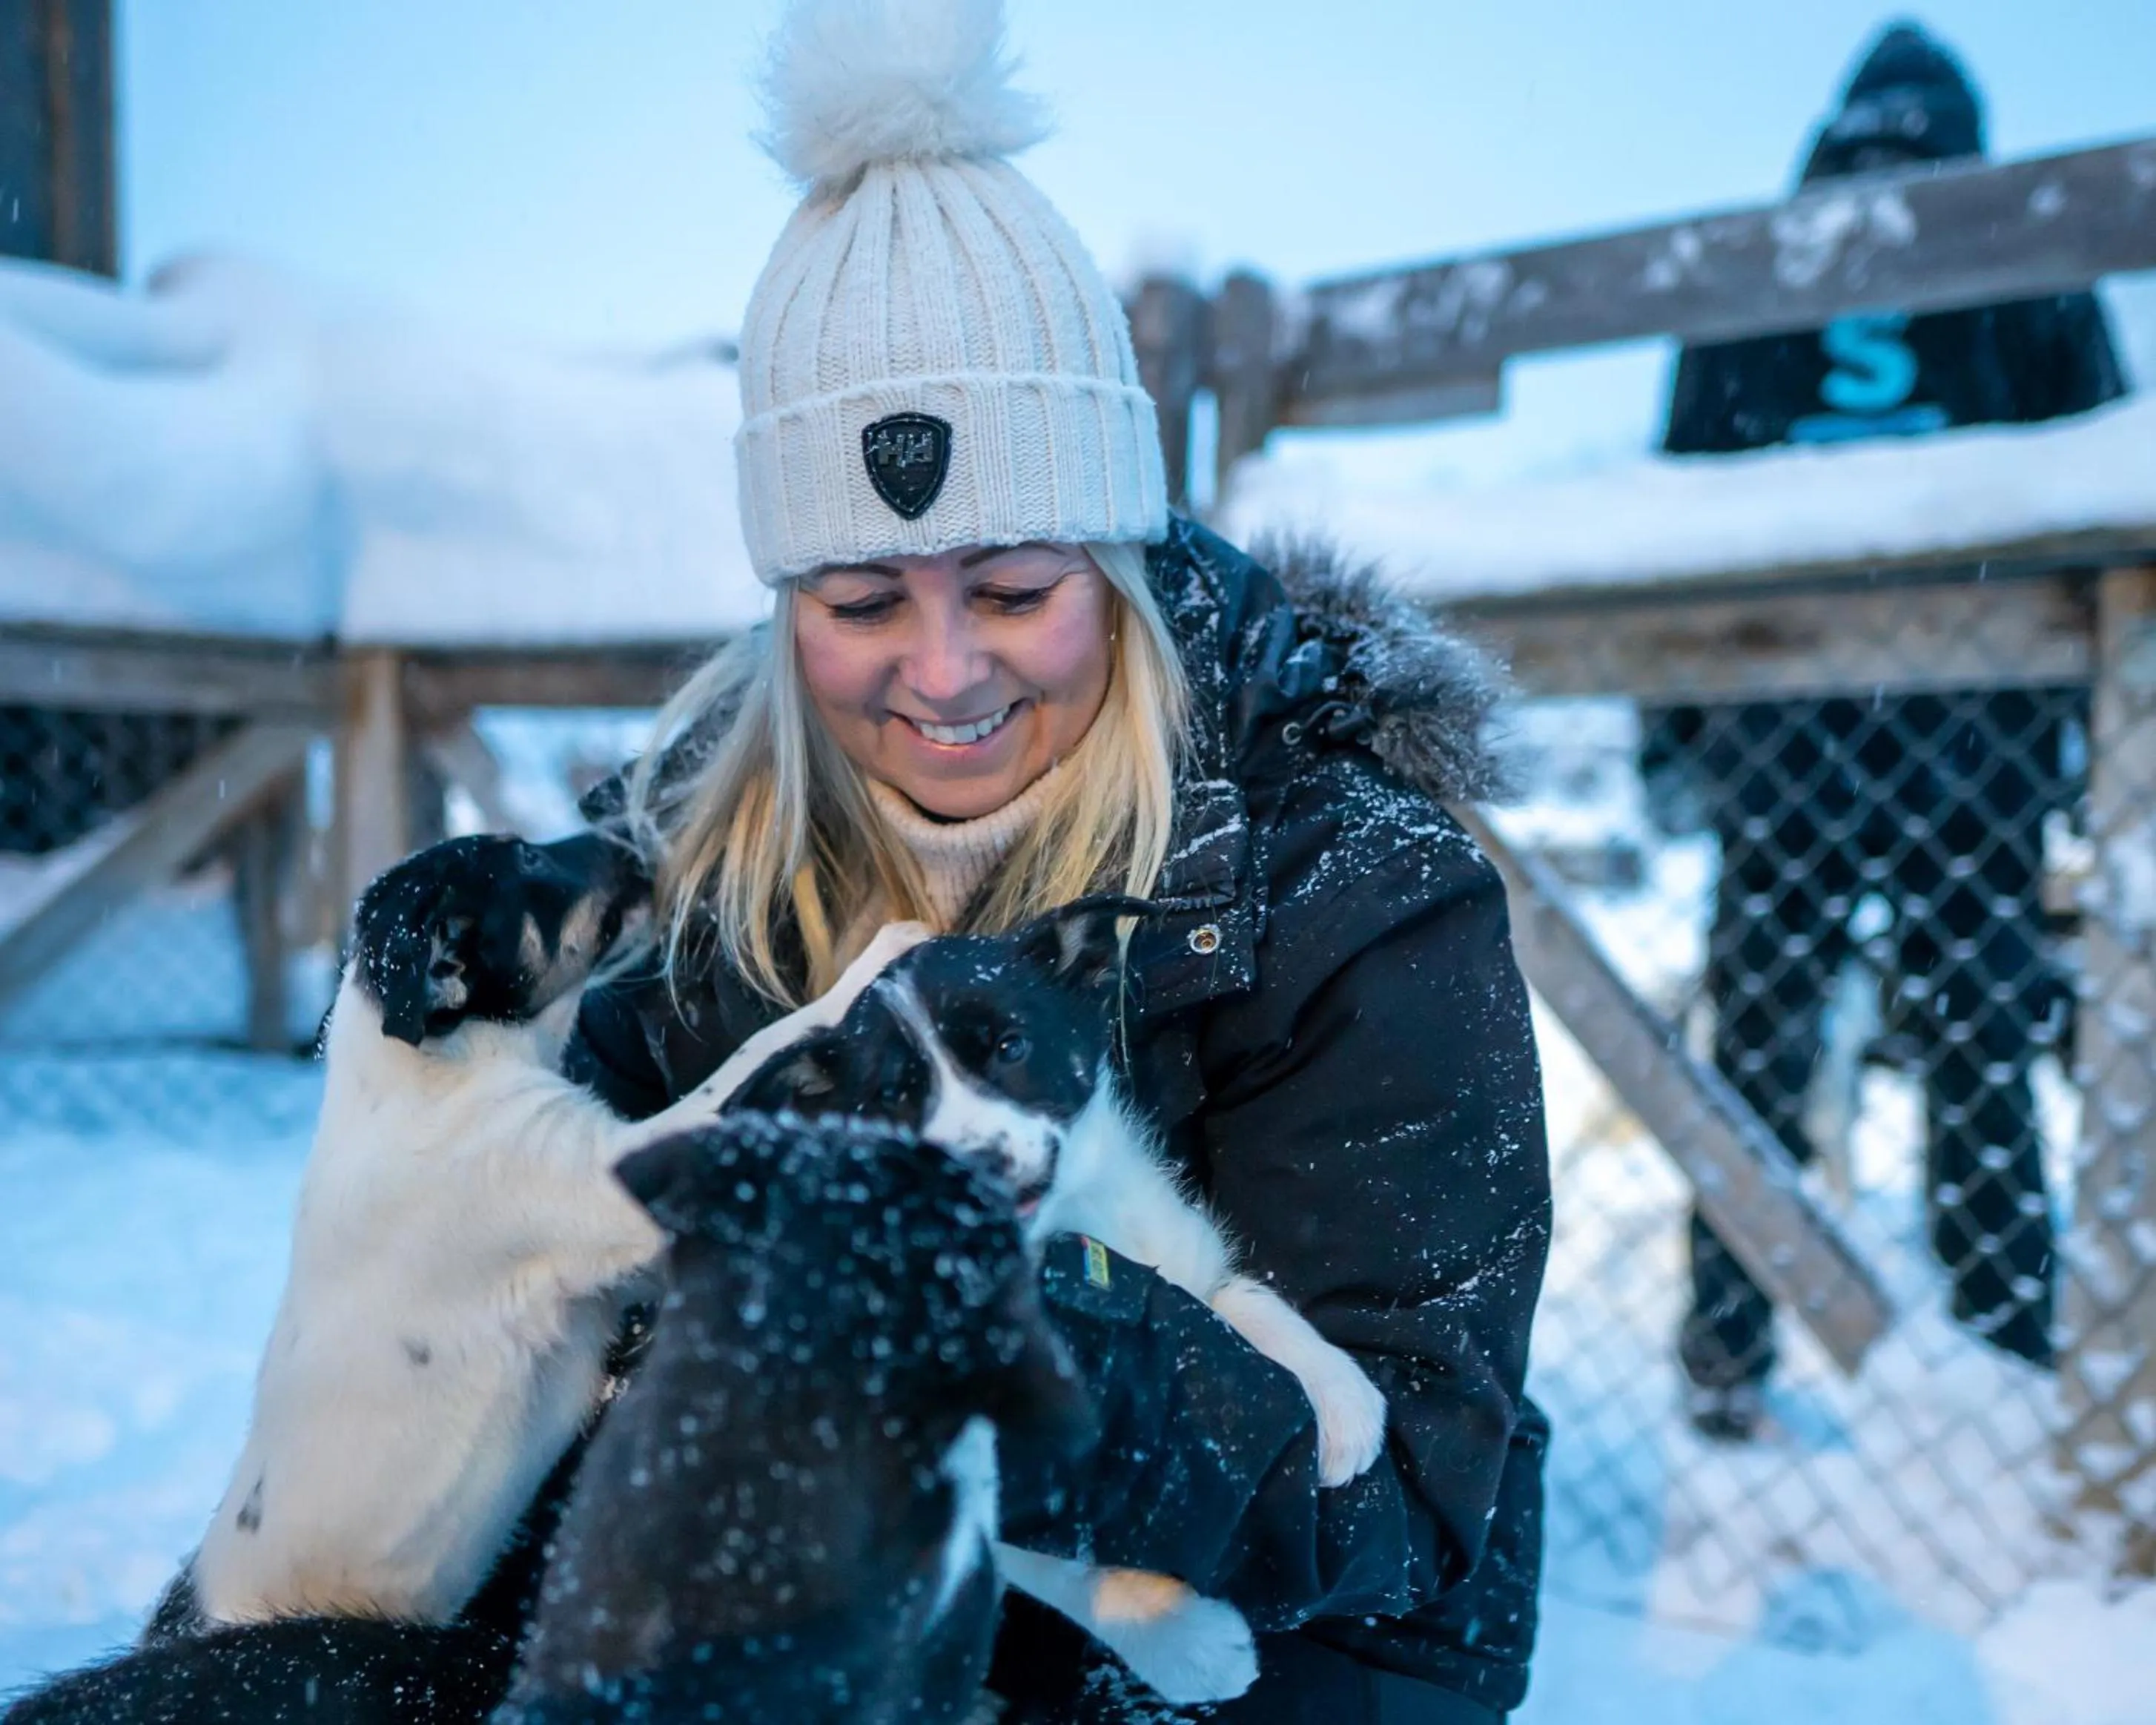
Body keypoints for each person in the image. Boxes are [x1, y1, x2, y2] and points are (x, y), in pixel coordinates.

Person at [1641, 19, 2127, 1439]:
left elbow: (1685, 506)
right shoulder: (2024, 247)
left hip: (1783, 734)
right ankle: (2007, 1332)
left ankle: (1727, 1348)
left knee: (1757, 1049)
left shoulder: (1760, 268)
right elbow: (2098, 481)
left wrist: (1678, 734)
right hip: (1974, 740)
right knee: (1978, 1038)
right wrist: (2093, 738)